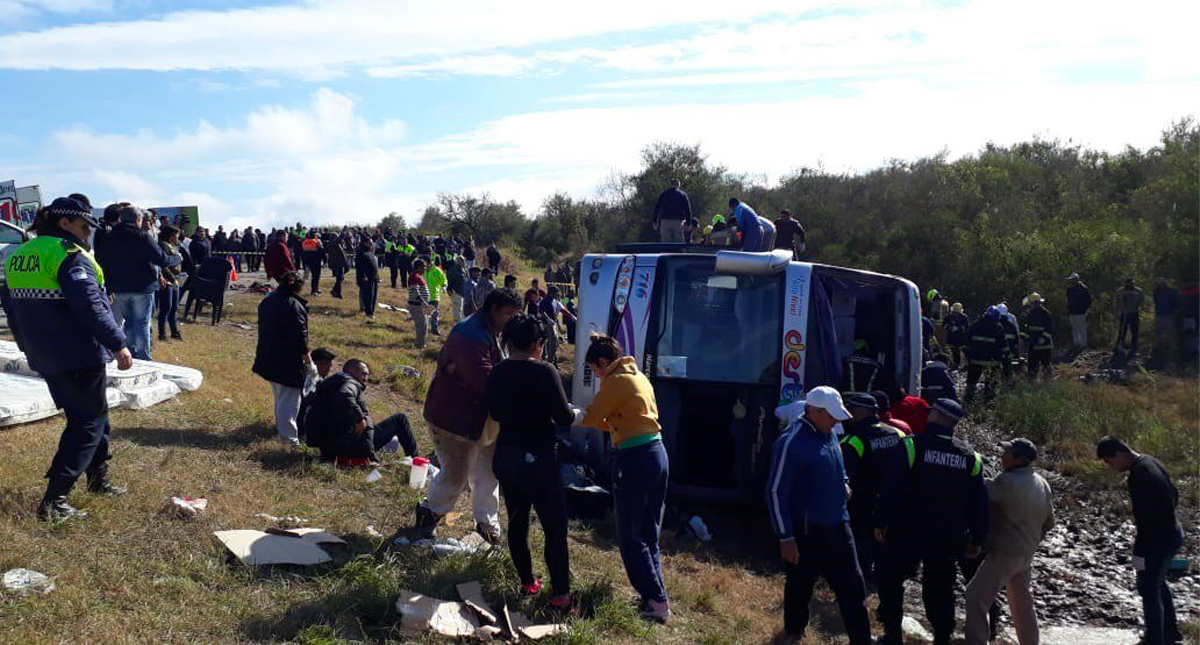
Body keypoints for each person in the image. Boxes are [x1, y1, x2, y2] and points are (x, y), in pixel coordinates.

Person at [1, 197, 136, 521]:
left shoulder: (18, 256)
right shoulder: (68, 255)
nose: (88, 233)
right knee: (86, 423)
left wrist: (25, 345)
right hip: (77, 353)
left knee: (95, 415)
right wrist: (118, 343)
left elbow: (11, 307)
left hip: (43, 353)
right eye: (84, 226)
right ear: (65, 223)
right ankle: (54, 501)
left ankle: (98, 479)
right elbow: (91, 306)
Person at [414, 288, 523, 544]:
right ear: (494, 310)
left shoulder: (494, 331)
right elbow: (485, 381)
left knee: (489, 472)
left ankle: (487, 524)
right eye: (509, 314)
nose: (512, 320)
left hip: (482, 418)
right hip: (456, 418)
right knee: (456, 473)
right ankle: (430, 512)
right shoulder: (470, 335)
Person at [875, 398, 987, 645]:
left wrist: (880, 521)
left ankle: (892, 636)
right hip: (947, 536)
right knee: (941, 588)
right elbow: (979, 502)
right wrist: (978, 537)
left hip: (907, 531)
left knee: (891, 580)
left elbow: (891, 488)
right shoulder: (970, 456)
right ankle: (942, 637)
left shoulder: (911, 446)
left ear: (936, 416)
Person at [486, 314, 577, 612]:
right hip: (539, 458)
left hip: (508, 456)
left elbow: (495, 413)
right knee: (554, 527)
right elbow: (563, 416)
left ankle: (527, 582)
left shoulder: (497, 372)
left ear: (509, 342)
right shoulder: (545, 371)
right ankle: (561, 595)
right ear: (538, 343)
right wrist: (575, 413)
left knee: (517, 521)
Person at [767, 386, 872, 643]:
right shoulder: (791, 442)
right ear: (813, 411)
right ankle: (794, 632)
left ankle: (861, 639)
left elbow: (837, 465)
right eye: (832, 416)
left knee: (854, 587)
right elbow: (775, 492)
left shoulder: (830, 433)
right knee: (800, 586)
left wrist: (843, 483)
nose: (836, 421)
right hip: (807, 531)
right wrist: (785, 537)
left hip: (839, 526)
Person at [578, 335, 672, 622]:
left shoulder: (615, 381)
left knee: (630, 534)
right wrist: (612, 423)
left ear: (603, 362)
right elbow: (628, 418)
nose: (597, 377)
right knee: (648, 531)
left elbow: (592, 416)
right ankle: (655, 595)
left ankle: (656, 600)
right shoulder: (638, 377)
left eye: (595, 371)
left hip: (634, 459)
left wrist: (572, 414)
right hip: (656, 452)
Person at [964, 438, 1054, 645]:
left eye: (1007, 453)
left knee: (975, 597)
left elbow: (981, 489)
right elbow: (1049, 522)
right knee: (1022, 603)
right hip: (1027, 553)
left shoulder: (1008, 482)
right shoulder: (1042, 483)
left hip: (1005, 553)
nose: (1002, 456)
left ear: (1019, 459)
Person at [1096, 437, 1184, 645]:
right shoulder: (1151, 462)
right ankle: (1170, 632)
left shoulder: (1140, 475)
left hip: (1157, 540)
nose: (1110, 466)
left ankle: (1155, 639)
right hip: (1172, 533)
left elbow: (1146, 519)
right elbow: (1174, 495)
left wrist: (1139, 553)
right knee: (1158, 583)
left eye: (1109, 461)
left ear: (1119, 454)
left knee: (1148, 588)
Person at [95, 204, 181, 360]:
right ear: (138, 220)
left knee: (128, 322)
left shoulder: (109, 236)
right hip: (142, 286)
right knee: (142, 323)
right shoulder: (142, 236)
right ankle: (143, 357)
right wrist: (176, 258)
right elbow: (160, 258)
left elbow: (101, 260)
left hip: (119, 286)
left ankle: (131, 353)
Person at [840, 392, 912, 579]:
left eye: (851, 409)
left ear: (861, 411)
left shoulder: (853, 440)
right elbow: (910, 466)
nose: (848, 413)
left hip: (862, 506)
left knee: (861, 550)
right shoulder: (897, 433)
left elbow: (842, 476)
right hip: (895, 503)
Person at [304, 359, 418, 465]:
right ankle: (416, 460)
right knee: (400, 419)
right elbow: (345, 395)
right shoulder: (350, 382)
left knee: (386, 433)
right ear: (350, 371)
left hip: (331, 446)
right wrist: (359, 419)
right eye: (363, 374)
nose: (366, 378)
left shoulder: (333, 383)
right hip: (348, 447)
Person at [251, 271, 313, 447]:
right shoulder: (294, 306)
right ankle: (289, 440)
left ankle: (283, 431)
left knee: (280, 398)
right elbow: (301, 340)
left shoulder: (268, 301)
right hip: (287, 362)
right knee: (290, 403)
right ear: (298, 287)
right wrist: (309, 363)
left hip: (268, 355)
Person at [965, 306, 1007, 402]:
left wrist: (968, 355)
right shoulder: (998, 327)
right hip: (991, 360)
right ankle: (989, 396)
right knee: (991, 381)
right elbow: (1003, 344)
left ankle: (969, 396)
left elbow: (967, 340)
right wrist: (1005, 357)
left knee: (972, 379)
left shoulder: (975, 325)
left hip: (975, 358)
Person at [156, 225, 185, 342]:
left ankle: (174, 331)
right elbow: (164, 265)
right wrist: (172, 279)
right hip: (167, 280)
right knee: (166, 308)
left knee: (174, 307)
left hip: (176, 278)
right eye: (176, 235)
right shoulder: (162, 246)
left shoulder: (173, 246)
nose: (177, 238)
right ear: (170, 236)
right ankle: (162, 334)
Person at [537, 285, 576, 365]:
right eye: (556, 293)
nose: (557, 295)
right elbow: (542, 312)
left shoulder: (555, 301)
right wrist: (548, 319)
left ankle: (551, 359)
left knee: (555, 342)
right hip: (546, 324)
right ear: (551, 293)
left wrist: (572, 317)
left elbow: (562, 310)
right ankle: (548, 360)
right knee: (549, 342)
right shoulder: (544, 301)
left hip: (553, 324)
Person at [1021, 293, 1054, 377]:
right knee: (1032, 368)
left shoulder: (1046, 314)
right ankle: (1032, 382)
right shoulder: (1030, 314)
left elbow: (1049, 329)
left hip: (1045, 346)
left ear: (1036, 303)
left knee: (1046, 367)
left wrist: (1043, 338)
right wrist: (1026, 339)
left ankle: (1048, 383)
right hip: (1033, 346)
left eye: (1031, 304)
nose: (1030, 306)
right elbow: (1027, 330)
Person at [652, 179, 692, 243]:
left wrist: (654, 221)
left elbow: (657, 208)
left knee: (666, 242)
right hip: (678, 222)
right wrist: (688, 223)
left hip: (665, 221)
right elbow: (687, 210)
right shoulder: (682, 195)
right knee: (679, 242)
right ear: (678, 185)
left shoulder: (663, 194)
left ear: (670, 185)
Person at [1115, 278, 1144, 355]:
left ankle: (1134, 346)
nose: (1130, 285)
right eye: (1129, 284)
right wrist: (1117, 312)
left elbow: (1141, 300)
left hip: (1134, 313)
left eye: (1132, 284)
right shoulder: (1120, 291)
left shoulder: (1138, 291)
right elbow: (1117, 302)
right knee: (1122, 330)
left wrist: (1136, 306)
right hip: (1124, 313)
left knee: (1134, 330)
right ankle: (1119, 344)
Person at [1153, 278, 1180, 360]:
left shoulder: (1171, 291)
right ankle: (1158, 345)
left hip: (1169, 314)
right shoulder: (1156, 291)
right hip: (1159, 313)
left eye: (1161, 283)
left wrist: (1175, 310)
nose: (1160, 284)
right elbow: (1155, 301)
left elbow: (1176, 301)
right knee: (1158, 331)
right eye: (1158, 283)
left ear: (1164, 283)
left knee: (1171, 331)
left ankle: (1173, 346)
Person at [407, 259, 432, 348]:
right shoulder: (414, 276)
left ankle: (421, 343)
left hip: (419, 305)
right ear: (418, 267)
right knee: (421, 326)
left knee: (423, 325)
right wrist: (423, 302)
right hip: (417, 305)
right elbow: (415, 291)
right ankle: (420, 345)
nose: (425, 269)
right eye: (424, 267)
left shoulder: (417, 275)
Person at [1066, 272, 1092, 352]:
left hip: (1081, 312)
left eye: (1072, 280)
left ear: (1076, 280)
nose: (1071, 281)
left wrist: (1085, 310)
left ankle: (1083, 344)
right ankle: (1076, 343)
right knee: (1074, 328)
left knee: (1082, 328)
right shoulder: (1070, 289)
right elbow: (1069, 300)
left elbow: (1088, 301)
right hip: (1072, 312)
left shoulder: (1083, 289)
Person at [355, 239, 380, 322]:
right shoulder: (361, 252)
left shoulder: (370, 252)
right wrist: (363, 277)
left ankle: (372, 311)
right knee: (368, 297)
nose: (372, 244)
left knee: (373, 297)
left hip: (374, 277)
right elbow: (359, 266)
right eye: (370, 243)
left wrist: (377, 277)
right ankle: (369, 313)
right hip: (367, 279)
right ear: (365, 243)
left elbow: (374, 265)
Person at [944, 302, 971, 369]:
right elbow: (944, 325)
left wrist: (959, 328)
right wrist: (950, 327)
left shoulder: (964, 317)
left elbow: (967, 327)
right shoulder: (948, 317)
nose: (955, 313)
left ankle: (968, 365)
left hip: (961, 338)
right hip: (952, 338)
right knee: (955, 353)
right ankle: (956, 365)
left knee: (966, 352)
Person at [426, 255, 447, 336]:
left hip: (434, 296)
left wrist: (444, 286)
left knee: (434, 314)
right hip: (423, 297)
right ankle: (424, 330)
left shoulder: (437, 270)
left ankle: (434, 331)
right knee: (424, 314)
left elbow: (443, 279)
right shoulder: (421, 271)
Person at [299, 231, 325, 295]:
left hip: (307, 261)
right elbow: (322, 250)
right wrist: (325, 260)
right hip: (316, 261)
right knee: (316, 276)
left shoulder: (304, 242)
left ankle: (315, 289)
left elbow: (301, 252)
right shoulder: (317, 241)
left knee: (311, 275)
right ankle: (314, 290)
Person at [447, 256, 468, 323]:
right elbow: (450, 280)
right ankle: (458, 321)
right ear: (459, 261)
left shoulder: (464, 269)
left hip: (462, 291)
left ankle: (460, 321)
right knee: (457, 307)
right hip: (456, 290)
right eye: (463, 261)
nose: (464, 262)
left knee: (460, 307)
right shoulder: (453, 270)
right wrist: (449, 289)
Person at [327, 234, 348, 299]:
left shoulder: (335, 244)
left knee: (340, 278)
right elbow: (338, 240)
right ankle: (337, 292)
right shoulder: (333, 244)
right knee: (339, 278)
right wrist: (343, 233)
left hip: (339, 263)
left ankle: (335, 291)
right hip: (337, 264)